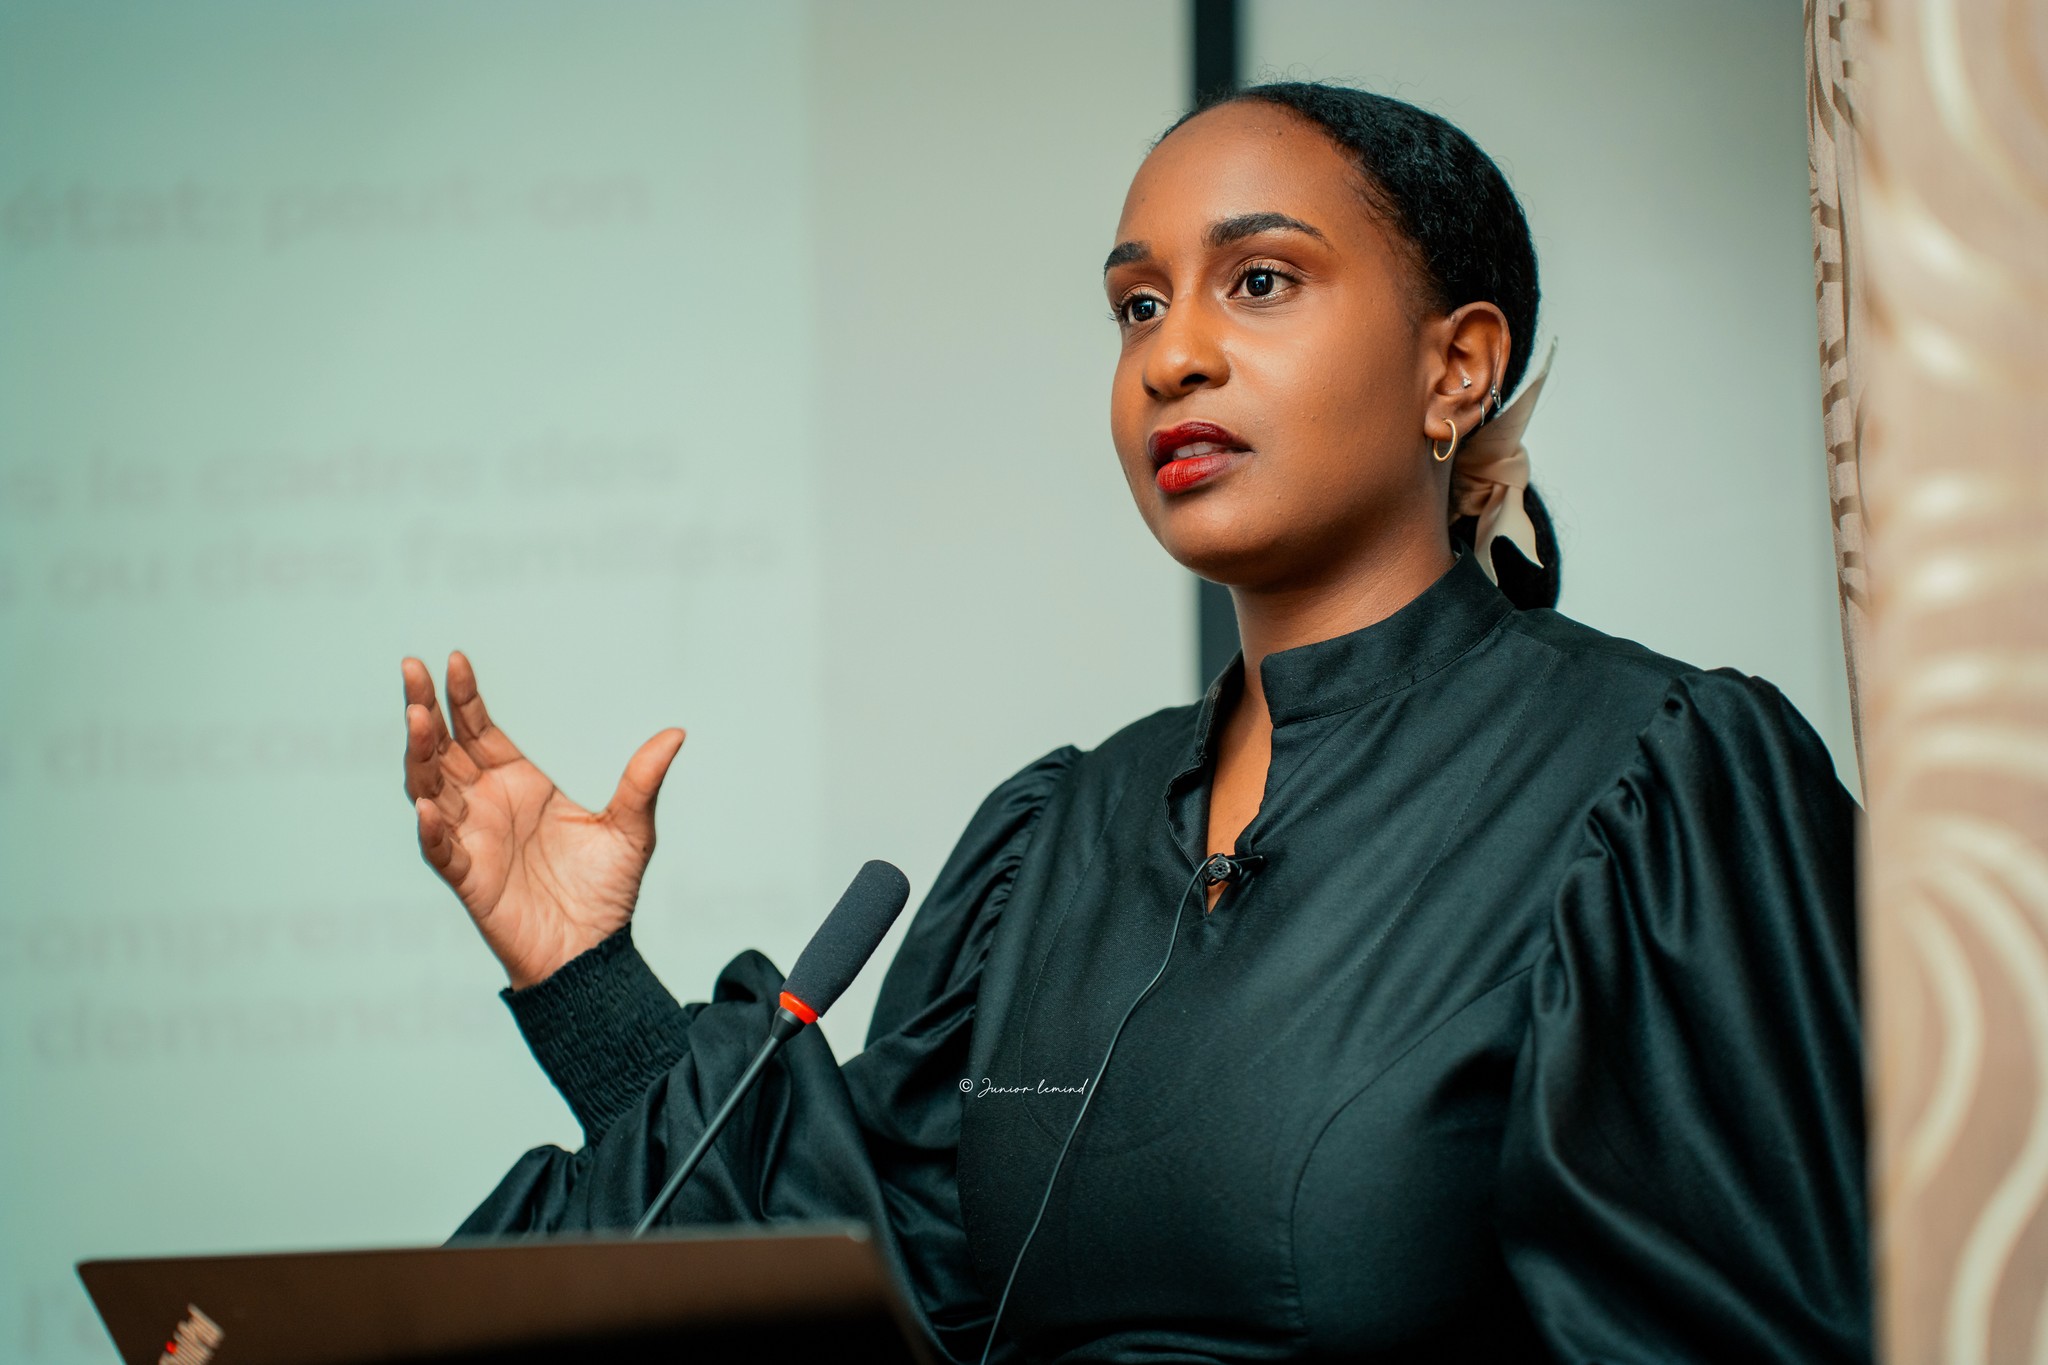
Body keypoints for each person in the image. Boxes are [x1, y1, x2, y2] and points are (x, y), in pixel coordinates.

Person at [400, 83, 1870, 1363]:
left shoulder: (1652, 782)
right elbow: (868, 1290)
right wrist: (588, 981)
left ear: (1455, 367)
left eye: (1264, 282)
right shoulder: (1062, 836)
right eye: (1138, 305)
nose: (1172, 357)